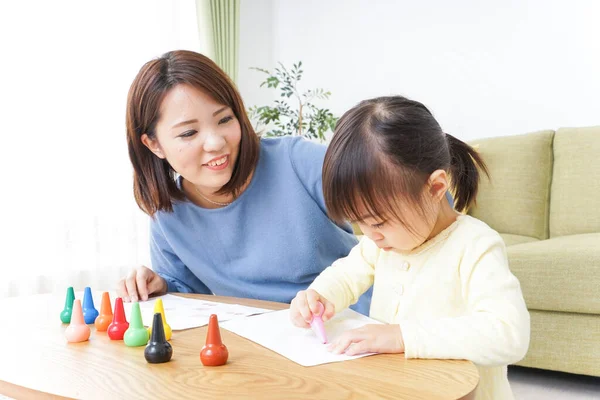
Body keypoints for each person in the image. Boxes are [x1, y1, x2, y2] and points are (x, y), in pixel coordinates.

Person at [289, 96, 530, 400]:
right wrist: (319, 297)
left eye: (378, 222)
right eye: (359, 223)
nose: (370, 235)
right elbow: (347, 275)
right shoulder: (383, 244)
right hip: (402, 388)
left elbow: (509, 334)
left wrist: (402, 337)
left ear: (436, 189)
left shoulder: (475, 245)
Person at [116, 50, 373, 313]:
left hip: (358, 328)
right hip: (265, 342)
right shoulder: (168, 213)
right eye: (189, 132)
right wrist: (161, 285)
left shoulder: (297, 161)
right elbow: (190, 297)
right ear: (154, 144)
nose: (216, 142)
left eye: (225, 119)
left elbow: (393, 209)